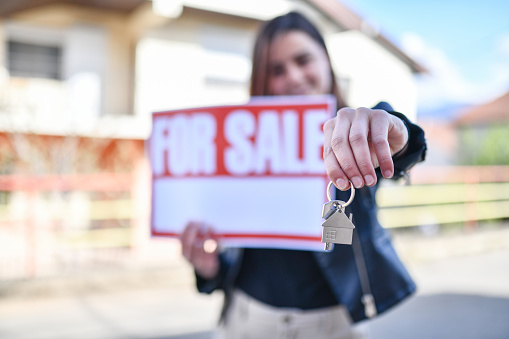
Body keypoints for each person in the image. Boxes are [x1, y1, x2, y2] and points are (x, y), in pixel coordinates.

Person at [180, 11, 426, 339]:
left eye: (303, 59)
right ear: (261, 79)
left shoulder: (359, 131)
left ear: (326, 60)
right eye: (276, 69)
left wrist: (399, 135)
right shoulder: (239, 146)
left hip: (334, 325)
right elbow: (238, 255)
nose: (293, 77)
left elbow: (405, 147)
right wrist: (210, 269)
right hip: (245, 319)